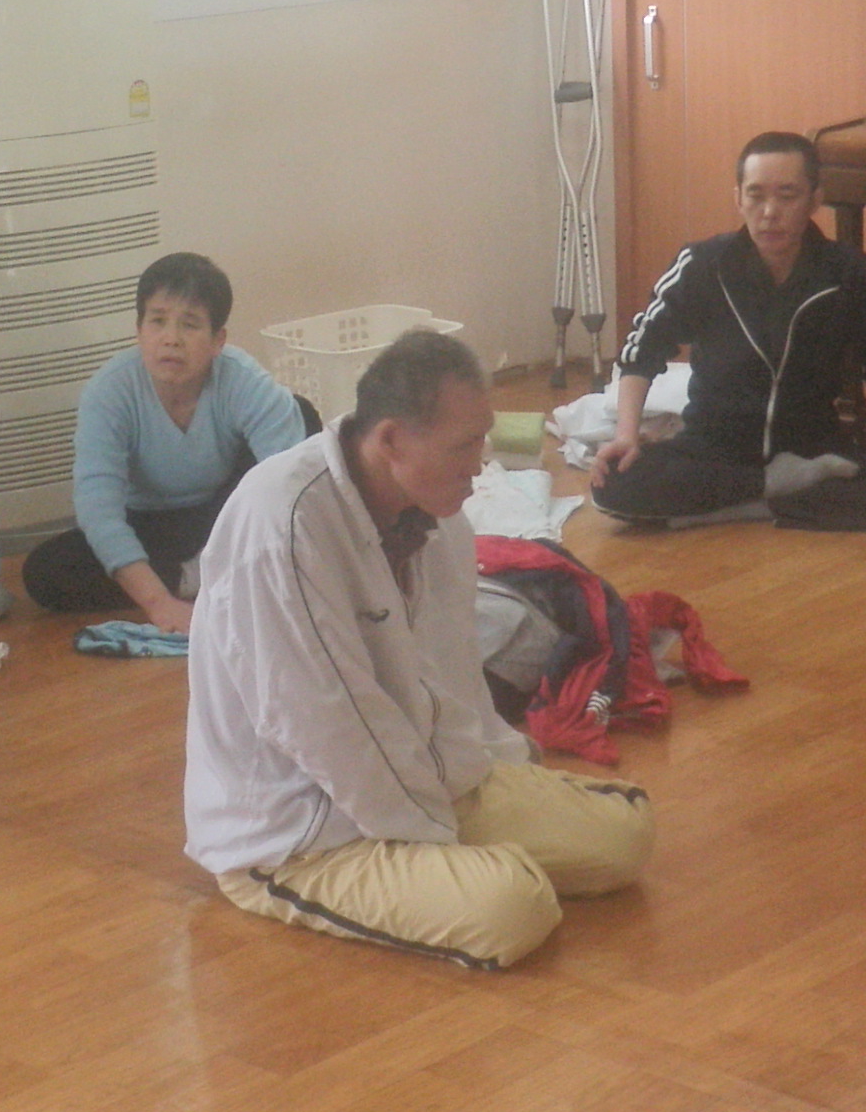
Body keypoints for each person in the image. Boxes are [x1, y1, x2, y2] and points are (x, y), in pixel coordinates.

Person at [184, 326, 655, 969]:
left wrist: (497, 776)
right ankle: (467, 871)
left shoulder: (439, 519)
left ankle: (468, 861)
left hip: (424, 783)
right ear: (390, 441)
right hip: (300, 831)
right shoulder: (283, 527)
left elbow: (455, 684)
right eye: (464, 445)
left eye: (482, 439)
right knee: (513, 906)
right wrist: (437, 841)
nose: (479, 464)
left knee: (624, 836)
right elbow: (323, 726)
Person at [589, 131, 866, 531]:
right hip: (712, 446)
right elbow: (640, 351)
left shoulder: (850, 272)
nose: (770, 212)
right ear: (738, 198)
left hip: (812, 447)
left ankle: (727, 505)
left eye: (787, 196)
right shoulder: (702, 265)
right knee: (614, 484)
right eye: (756, 195)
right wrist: (627, 436)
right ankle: (773, 492)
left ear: (814, 200)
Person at [19, 251, 316, 631]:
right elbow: (98, 509)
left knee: (300, 414)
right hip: (150, 525)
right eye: (157, 321)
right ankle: (194, 577)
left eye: (189, 325)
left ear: (218, 340)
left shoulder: (242, 380)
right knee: (45, 571)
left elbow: (288, 490)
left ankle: (223, 566)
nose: (171, 339)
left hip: (224, 512)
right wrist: (159, 604)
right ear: (139, 330)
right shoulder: (109, 392)